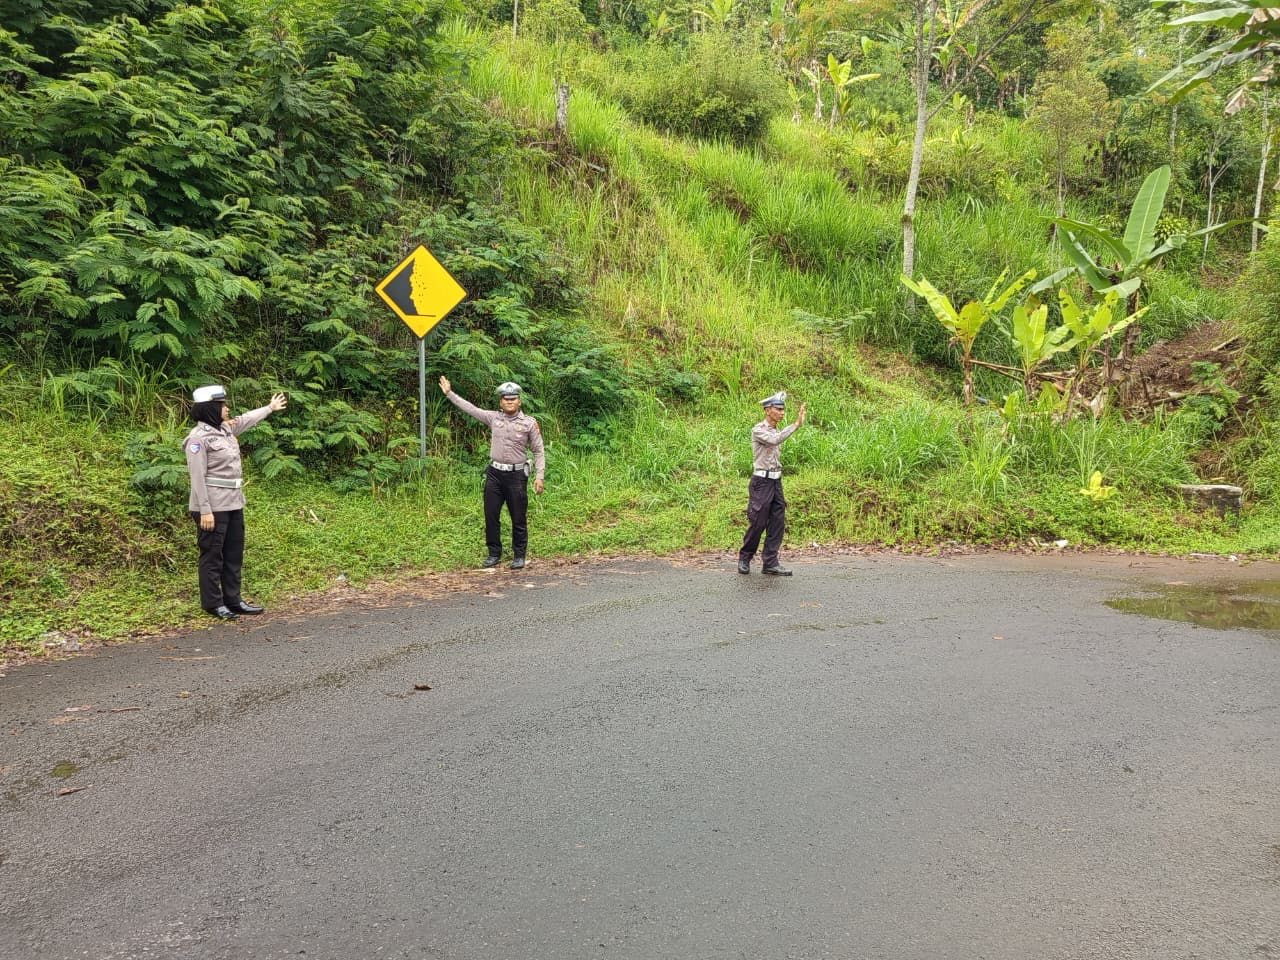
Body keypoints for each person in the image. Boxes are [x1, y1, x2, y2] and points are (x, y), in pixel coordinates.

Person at [184, 384, 287, 620]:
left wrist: (270, 408)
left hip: (233, 503)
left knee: (233, 553)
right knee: (212, 555)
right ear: (211, 408)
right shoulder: (197, 440)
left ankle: (234, 599)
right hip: (211, 507)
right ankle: (213, 604)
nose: (227, 408)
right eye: (222, 405)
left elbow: (247, 419)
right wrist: (205, 511)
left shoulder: (225, 430)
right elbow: (197, 478)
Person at [439, 376, 545, 569]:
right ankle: (493, 553)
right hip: (495, 474)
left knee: (518, 517)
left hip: (516, 476)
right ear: (501, 401)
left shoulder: (529, 423)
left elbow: (538, 450)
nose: (509, 401)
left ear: (519, 401)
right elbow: (471, 409)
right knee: (491, 515)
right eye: (506, 398)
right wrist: (449, 394)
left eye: (513, 398)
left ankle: (519, 555)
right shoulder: (493, 418)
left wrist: (539, 476)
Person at [738, 390, 806, 576]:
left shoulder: (776, 429)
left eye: (783, 410)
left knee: (777, 522)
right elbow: (775, 440)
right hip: (761, 482)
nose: (782, 413)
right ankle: (745, 557)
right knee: (758, 522)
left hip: (776, 481)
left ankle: (770, 562)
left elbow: (777, 438)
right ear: (768, 410)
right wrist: (796, 425)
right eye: (778, 409)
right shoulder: (758, 430)